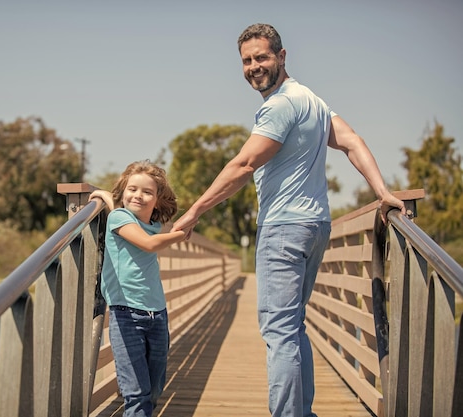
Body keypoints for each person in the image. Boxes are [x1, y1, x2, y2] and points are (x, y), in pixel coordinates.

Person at [171, 23, 406, 417]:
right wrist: (381, 191)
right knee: (292, 326)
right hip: (316, 226)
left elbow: (244, 164)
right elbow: (351, 141)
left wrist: (194, 211)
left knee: (279, 332)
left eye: (261, 57)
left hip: (283, 227)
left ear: (281, 57)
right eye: (246, 61)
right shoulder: (311, 100)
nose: (253, 67)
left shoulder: (281, 104)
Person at [89, 160, 192, 417]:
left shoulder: (152, 225)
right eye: (132, 189)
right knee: (137, 394)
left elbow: (143, 232)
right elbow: (147, 244)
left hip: (157, 315)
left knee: (154, 389)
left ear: (157, 201)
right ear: (123, 192)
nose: (138, 195)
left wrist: (109, 198)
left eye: (147, 192)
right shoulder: (119, 218)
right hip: (126, 316)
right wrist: (182, 234)